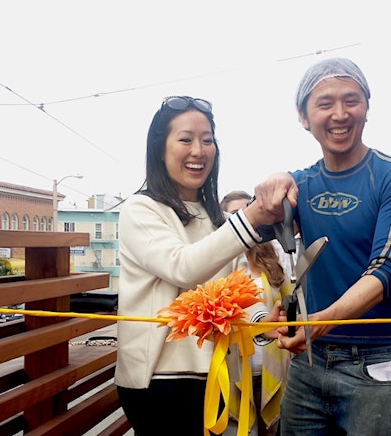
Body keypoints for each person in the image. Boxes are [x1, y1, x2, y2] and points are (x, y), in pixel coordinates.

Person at [253, 57, 391, 435]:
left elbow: (388, 268)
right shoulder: (300, 184)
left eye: (352, 100)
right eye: (325, 103)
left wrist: (318, 324)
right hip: (309, 361)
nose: (340, 114)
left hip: (377, 360)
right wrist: (268, 187)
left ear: (367, 108)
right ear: (303, 116)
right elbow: (248, 230)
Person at [115, 96, 283, 436]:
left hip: (216, 374)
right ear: (159, 149)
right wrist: (249, 216)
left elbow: (235, 294)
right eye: (186, 139)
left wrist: (263, 324)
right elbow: (183, 267)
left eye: (207, 140)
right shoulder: (140, 209)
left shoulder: (215, 218)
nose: (199, 150)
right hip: (159, 380)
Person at [221, 190, 292, 436]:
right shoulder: (218, 262)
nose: (242, 220)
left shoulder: (273, 257)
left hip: (272, 364)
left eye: (246, 212)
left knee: (271, 429)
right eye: (234, 214)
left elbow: (287, 303)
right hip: (234, 368)